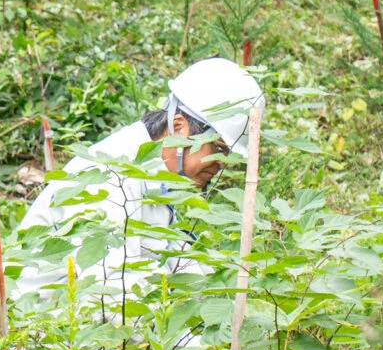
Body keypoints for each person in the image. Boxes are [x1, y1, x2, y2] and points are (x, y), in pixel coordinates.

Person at [15, 58, 264, 304]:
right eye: (219, 149)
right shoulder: (110, 178)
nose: (222, 163)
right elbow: (108, 299)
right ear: (179, 129)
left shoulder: (157, 178)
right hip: (40, 332)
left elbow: (179, 262)